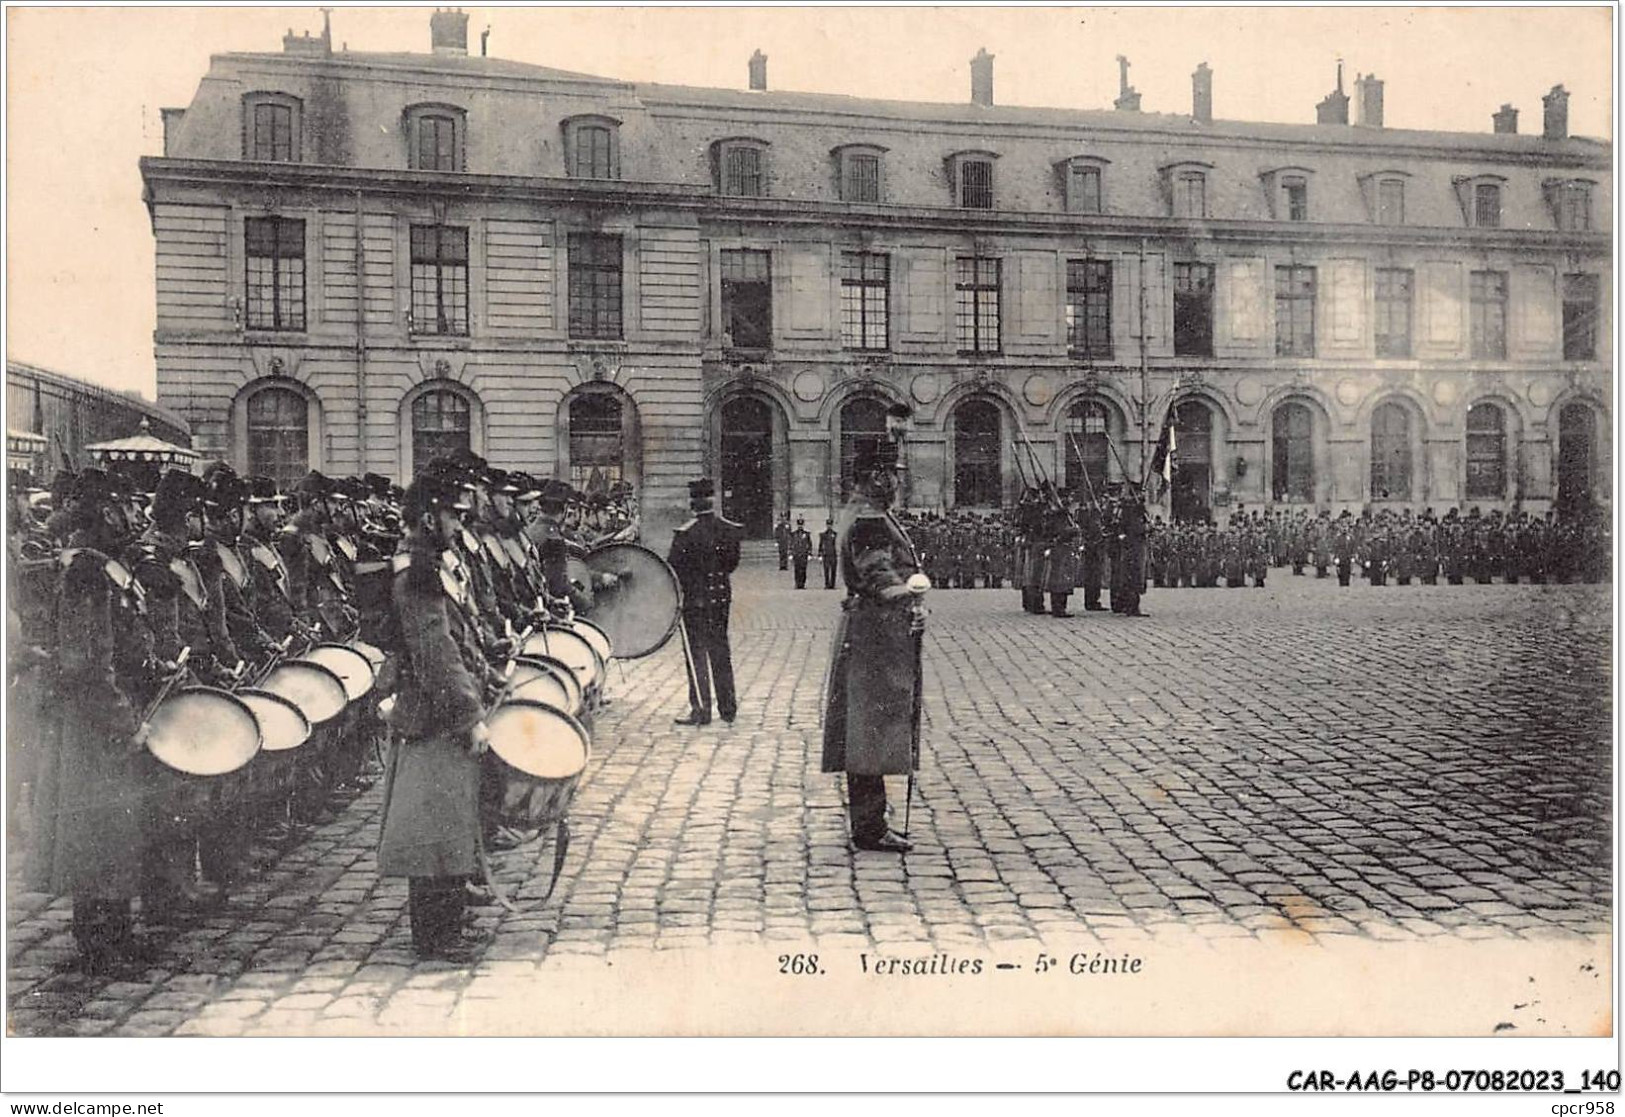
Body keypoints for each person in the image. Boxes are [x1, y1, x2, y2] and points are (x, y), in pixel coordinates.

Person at [26, 469, 158, 973]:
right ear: (103, 513)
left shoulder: (102, 567)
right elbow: (86, 663)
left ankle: (116, 933)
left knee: (114, 834)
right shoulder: (86, 572)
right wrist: (126, 722)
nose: (132, 516)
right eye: (123, 507)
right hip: (94, 727)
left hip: (105, 719)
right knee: (97, 836)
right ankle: (99, 943)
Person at [377, 470, 492, 963]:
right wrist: (468, 712)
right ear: (429, 515)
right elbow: (434, 650)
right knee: (432, 832)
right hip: (432, 715)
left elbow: (458, 634)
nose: (458, 523)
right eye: (452, 514)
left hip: (439, 709)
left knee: (449, 823)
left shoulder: (432, 562)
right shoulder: (418, 570)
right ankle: (434, 936)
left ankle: (449, 920)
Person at [822, 441, 920, 854]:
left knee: (867, 725)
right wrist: (909, 594)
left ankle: (871, 816)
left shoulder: (867, 513)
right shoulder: (868, 519)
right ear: (875, 477)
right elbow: (877, 572)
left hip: (870, 630)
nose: (897, 481)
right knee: (869, 728)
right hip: (875, 634)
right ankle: (869, 825)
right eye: (891, 474)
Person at [668, 479, 742, 727]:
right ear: (713, 500)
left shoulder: (685, 534)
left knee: (697, 653)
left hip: (695, 602)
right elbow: (732, 565)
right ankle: (728, 708)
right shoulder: (729, 530)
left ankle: (701, 709)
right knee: (721, 650)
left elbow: (673, 570)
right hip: (720, 598)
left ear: (693, 504)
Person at [790, 516, 813, 589]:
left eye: (801, 525)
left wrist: (809, 553)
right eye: (799, 525)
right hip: (796, 554)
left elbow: (809, 544)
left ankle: (802, 583)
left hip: (804, 554)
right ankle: (797, 583)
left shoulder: (806, 534)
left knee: (803, 570)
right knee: (796, 569)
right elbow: (791, 544)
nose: (800, 526)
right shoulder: (793, 534)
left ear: (803, 525)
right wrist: (790, 553)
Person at [818, 517, 839, 589]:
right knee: (826, 570)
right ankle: (827, 584)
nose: (829, 526)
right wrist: (819, 554)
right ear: (826, 525)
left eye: (830, 525)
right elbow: (820, 545)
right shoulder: (823, 535)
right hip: (826, 554)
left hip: (833, 554)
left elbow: (837, 544)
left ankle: (832, 584)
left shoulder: (835, 534)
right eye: (828, 525)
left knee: (833, 570)